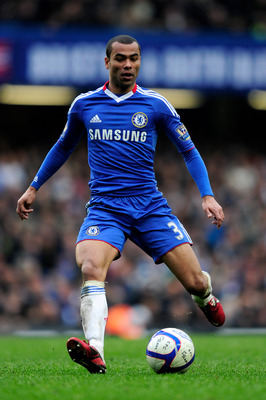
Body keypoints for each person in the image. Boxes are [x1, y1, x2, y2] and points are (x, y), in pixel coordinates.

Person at [16, 34, 225, 374]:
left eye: (134, 59)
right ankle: (95, 350)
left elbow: (188, 149)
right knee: (89, 268)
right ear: (107, 62)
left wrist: (207, 194)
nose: (128, 65)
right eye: (121, 59)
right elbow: (63, 147)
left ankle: (206, 297)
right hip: (105, 207)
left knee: (195, 282)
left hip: (149, 206)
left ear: (139, 62)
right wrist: (34, 186)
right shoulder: (84, 105)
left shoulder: (156, 104)